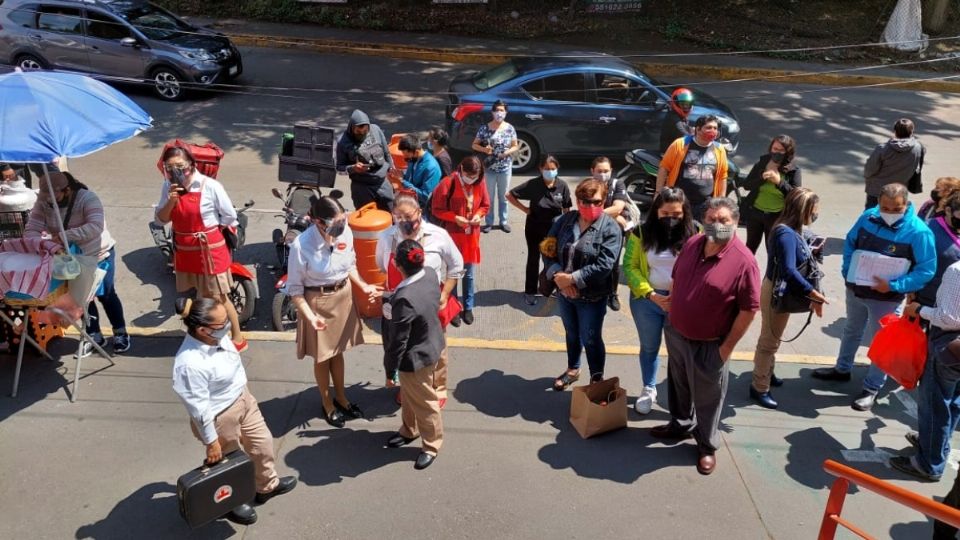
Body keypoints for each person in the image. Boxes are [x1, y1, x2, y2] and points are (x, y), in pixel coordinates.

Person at [650, 197, 760, 476]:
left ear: (735, 223)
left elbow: (748, 310)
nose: (716, 225)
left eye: (723, 220)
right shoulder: (692, 244)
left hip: (711, 344)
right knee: (678, 384)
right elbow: (676, 277)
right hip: (677, 333)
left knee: (708, 397)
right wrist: (675, 305)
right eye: (711, 219)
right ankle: (680, 424)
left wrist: (726, 349)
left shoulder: (744, 261)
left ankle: (707, 445)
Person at [171, 297, 297, 526]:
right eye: (223, 323)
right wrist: (211, 441)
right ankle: (230, 503)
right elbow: (198, 407)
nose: (229, 325)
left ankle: (266, 486)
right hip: (219, 417)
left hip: (244, 399)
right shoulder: (189, 363)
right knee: (226, 463)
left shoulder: (215, 336)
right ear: (202, 330)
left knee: (262, 444)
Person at [811, 183, 936, 411]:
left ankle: (872, 387)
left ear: (906, 204)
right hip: (857, 289)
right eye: (885, 207)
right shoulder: (869, 217)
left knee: (882, 342)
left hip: (887, 298)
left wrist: (894, 285)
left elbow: (926, 270)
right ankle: (842, 369)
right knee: (851, 329)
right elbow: (850, 243)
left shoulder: (919, 232)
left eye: (895, 208)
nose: (889, 212)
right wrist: (848, 270)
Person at [287, 194, 381, 428]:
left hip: (343, 296)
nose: (342, 226)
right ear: (318, 222)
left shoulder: (344, 231)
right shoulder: (302, 245)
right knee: (323, 356)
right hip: (317, 303)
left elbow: (350, 264)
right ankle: (327, 402)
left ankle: (341, 396)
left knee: (338, 351)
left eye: (342, 220)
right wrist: (310, 317)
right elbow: (295, 290)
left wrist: (363, 285)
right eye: (336, 223)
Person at [26, 171, 131, 355]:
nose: (49, 201)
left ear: (66, 190)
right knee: (81, 298)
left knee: (106, 294)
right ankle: (94, 334)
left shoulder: (88, 199)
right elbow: (32, 228)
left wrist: (66, 236)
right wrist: (40, 243)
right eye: (45, 197)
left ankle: (120, 332)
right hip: (70, 259)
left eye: (53, 196)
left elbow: (95, 226)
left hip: (98, 254)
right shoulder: (43, 201)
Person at [155, 146, 247, 351]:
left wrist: (209, 233)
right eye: (169, 168)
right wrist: (171, 200)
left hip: (210, 251)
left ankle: (238, 338)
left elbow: (229, 216)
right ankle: (206, 336)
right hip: (186, 252)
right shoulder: (167, 187)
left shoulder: (210, 186)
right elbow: (160, 220)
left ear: (191, 165)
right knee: (199, 296)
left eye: (180, 166)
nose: (175, 172)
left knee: (218, 296)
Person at [377, 192, 463, 408]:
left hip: (430, 303)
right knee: (400, 347)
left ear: (419, 212)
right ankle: (406, 387)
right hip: (400, 303)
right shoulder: (387, 237)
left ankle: (439, 386)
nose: (405, 223)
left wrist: (445, 295)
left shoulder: (438, 235)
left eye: (408, 217)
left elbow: (456, 266)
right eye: (399, 217)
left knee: (436, 348)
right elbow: (381, 265)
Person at [748, 188, 827, 409]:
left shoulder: (792, 229)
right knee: (769, 341)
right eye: (814, 210)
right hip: (776, 290)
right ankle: (759, 386)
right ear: (804, 210)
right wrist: (813, 293)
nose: (815, 214)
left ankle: (766, 372)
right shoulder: (785, 234)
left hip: (779, 288)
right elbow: (789, 271)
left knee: (773, 336)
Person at [623, 187, 698, 414]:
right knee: (649, 347)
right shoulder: (641, 233)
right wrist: (651, 294)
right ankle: (649, 388)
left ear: (684, 213)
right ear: (656, 212)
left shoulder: (696, 233)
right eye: (665, 214)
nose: (670, 219)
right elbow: (630, 266)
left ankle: (683, 397)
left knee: (683, 351)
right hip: (648, 301)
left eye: (676, 215)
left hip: (681, 303)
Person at [542, 178, 622, 390]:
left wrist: (573, 279)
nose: (591, 206)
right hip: (564, 292)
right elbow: (547, 247)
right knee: (571, 333)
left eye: (596, 201)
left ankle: (596, 379)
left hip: (592, 297)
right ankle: (573, 369)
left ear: (604, 201)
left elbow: (605, 265)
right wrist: (558, 276)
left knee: (591, 338)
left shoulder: (611, 228)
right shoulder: (566, 220)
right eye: (585, 201)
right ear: (577, 201)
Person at [892, 249, 960, 482]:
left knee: (934, 404)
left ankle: (928, 463)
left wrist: (920, 310)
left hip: (949, 348)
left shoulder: (956, 271)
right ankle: (937, 447)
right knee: (953, 403)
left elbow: (949, 318)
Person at [383, 239, 446, 471]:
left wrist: (390, 370)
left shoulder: (404, 299)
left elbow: (397, 342)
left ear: (398, 265)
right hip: (432, 343)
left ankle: (431, 445)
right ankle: (409, 430)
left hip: (415, 357)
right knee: (411, 396)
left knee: (425, 401)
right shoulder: (429, 274)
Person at [506, 154, 572, 306]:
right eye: (546, 169)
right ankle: (530, 291)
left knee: (553, 261)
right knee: (533, 259)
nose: (550, 171)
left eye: (553, 169)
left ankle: (554, 287)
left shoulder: (562, 186)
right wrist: (525, 209)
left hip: (554, 232)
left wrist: (566, 227)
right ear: (540, 169)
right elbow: (510, 195)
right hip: (534, 228)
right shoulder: (533, 184)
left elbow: (567, 208)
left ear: (557, 169)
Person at [431, 156, 490, 326]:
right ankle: (454, 307)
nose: (471, 179)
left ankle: (468, 307)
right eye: (468, 175)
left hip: (471, 235)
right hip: (452, 234)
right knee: (454, 272)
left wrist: (479, 215)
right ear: (461, 169)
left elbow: (485, 205)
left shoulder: (480, 182)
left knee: (469, 273)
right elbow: (437, 209)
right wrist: (454, 217)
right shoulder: (448, 183)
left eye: (475, 176)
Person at [656, 115, 729, 220]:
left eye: (715, 128)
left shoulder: (719, 149)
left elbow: (723, 176)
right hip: (679, 202)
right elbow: (664, 168)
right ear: (698, 129)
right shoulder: (680, 144)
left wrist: (721, 201)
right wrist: (658, 192)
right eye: (709, 127)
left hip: (705, 204)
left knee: (700, 234)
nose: (713, 131)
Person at [742, 135, 803, 254]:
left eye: (781, 150)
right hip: (755, 212)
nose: (777, 153)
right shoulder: (763, 162)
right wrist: (761, 178)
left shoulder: (793, 170)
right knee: (749, 247)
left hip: (777, 216)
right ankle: (746, 271)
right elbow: (747, 185)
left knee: (773, 250)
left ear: (788, 152)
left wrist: (779, 182)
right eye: (775, 149)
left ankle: (770, 273)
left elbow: (796, 195)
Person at [472, 100, 518, 233]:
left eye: (502, 110)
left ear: (506, 112)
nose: (499, 113)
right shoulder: (485, 128)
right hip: (489, 169)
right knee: (489, 197)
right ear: (492, 112)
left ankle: (503, 221)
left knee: (504, 196)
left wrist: (506, 153)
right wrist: (484, 150)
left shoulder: (510, 128)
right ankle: (489, 222)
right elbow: (474, 145)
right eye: (497, 110)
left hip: (505, 168)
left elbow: (515, 145)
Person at [336, 109, 395, 211]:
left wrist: (391, 168)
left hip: (382, 183)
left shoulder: (376, 130)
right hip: (361, 187)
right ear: (351, 128)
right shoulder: (343, 142)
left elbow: (386, 152)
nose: (362, 134)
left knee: (391, 212)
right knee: (365, 218)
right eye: (358, 132)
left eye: (365, 131)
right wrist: (353, 168)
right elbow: (339, 168)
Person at [592, 156, 631, 311]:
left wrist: (595, 213)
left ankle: (612, 294)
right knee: (593, 261)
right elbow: (585, 206)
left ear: (611, 171)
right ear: (592, 171)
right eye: (599, 171)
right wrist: (615, 215)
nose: (603, 174)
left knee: (613, 264)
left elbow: (618, 207)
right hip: (594, 231)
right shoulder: (588, 186)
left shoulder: (617, 184)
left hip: (613, 232)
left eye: (606, 171)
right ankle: (596, 292)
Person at [864, 118, 924, 209]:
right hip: (899, 191)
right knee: (896, 217)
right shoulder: (918, 148)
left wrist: (868, 178)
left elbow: (870, 170)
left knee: (870, 217)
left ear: (895, 131)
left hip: (877, 190)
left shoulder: (883, 149)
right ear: (911, 131)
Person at [396, 134, 442, 214]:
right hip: (411, 201)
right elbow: (411, 180)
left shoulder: (431, 167)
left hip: (423, 210)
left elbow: (425, 196)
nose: (405, 157)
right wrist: (402, 176)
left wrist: (402, 181)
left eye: (406, 154)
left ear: (416, 151)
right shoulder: (413, 159)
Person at [659, 87, 695, 154]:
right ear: (676, 104)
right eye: (682, 104)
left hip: (677, 150)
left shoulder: (676, 114)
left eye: (687, 104)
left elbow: (686, 127)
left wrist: (696, 130)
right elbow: (685, 135)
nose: (685, 107)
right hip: (670, 154)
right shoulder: (674, 119)